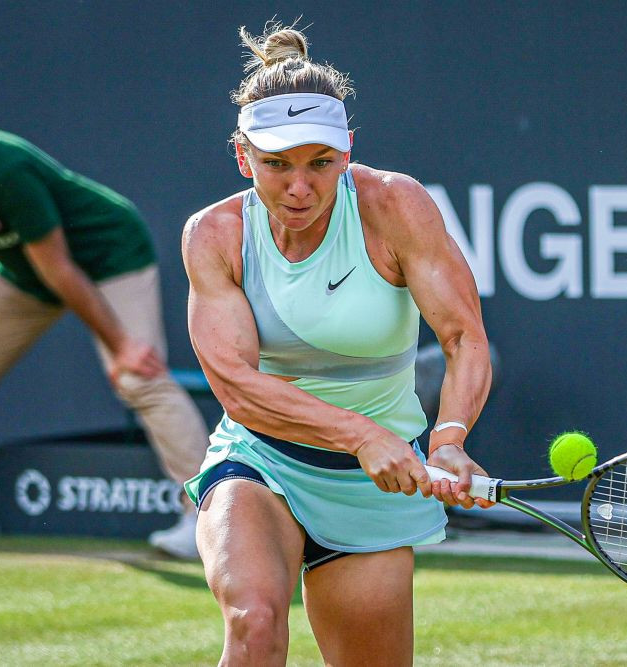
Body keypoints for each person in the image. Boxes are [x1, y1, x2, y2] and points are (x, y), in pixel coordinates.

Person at [181, 25, 493, 665]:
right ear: (244, 159)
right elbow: (237, 387)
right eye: (277, 165)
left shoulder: (395, 207)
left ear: (347, 152)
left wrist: (451, 438)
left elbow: (463, 337)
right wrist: (357, 433)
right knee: (254, 622)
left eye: (320, 163)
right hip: (260, 461)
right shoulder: (214, 236)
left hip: (374, 486)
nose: (300, 187)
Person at [0, 64, 209, 558]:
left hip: (108, 257)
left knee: (137, 377)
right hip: (27, 272)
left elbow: (61, 269)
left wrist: (122, 345)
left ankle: (209, 518)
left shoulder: (3, 167)